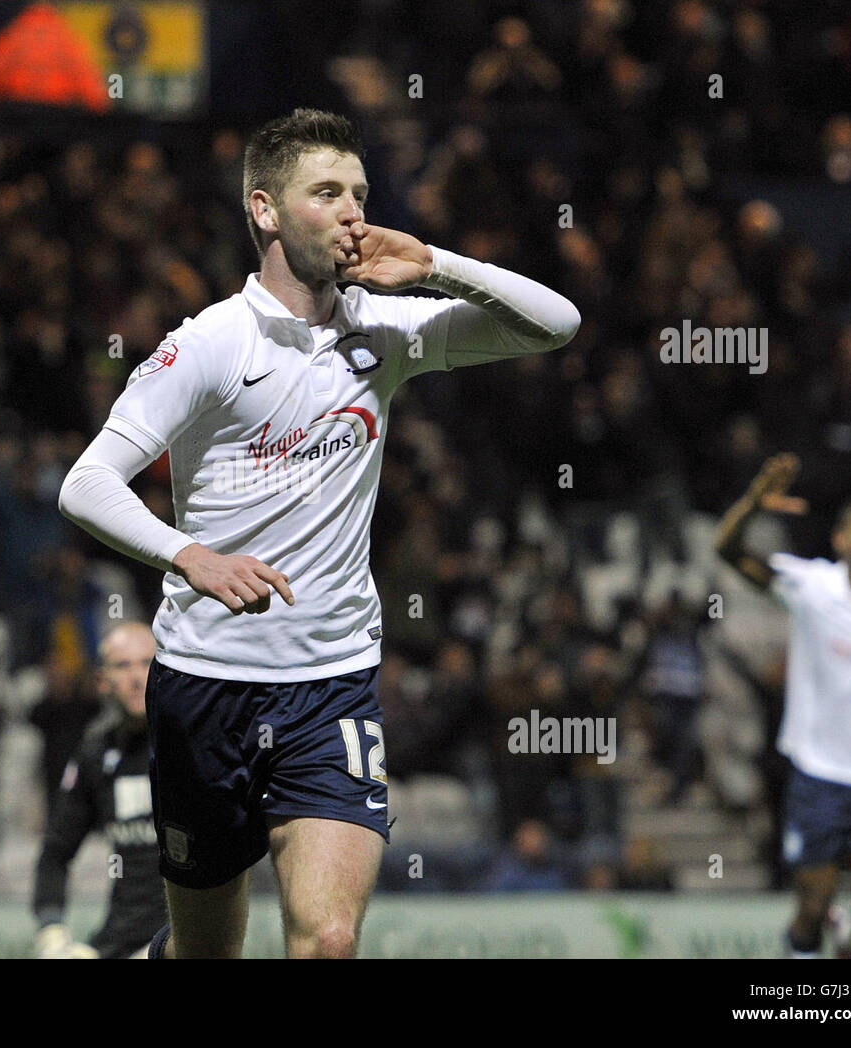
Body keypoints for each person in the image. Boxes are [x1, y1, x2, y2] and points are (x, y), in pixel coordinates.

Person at [57, 108, 579, 958]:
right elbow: (86, 484)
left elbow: (556, 323)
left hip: (332, 683)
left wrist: (439, 265)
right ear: (265, 210)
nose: (352, 212)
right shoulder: (209, 345)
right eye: (326, 193)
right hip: (204, 686)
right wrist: (190, 556)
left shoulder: (386, 329)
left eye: (360, 194)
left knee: (328, 942)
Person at [715, 452, 851, 958]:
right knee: (809, 908)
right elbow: (726, 549)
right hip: (818, 774)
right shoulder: (811, 586)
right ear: (841, 541)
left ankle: (847, 929)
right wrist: (753, 504)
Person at [32, 621, 167, 959]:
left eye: (147, 663)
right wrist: (52, 932)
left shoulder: (196, 748)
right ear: (102, 681)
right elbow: (55, 853)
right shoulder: (95, 755)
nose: (136, 678)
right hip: (118, 939)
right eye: (123, 666)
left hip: (187, 939)